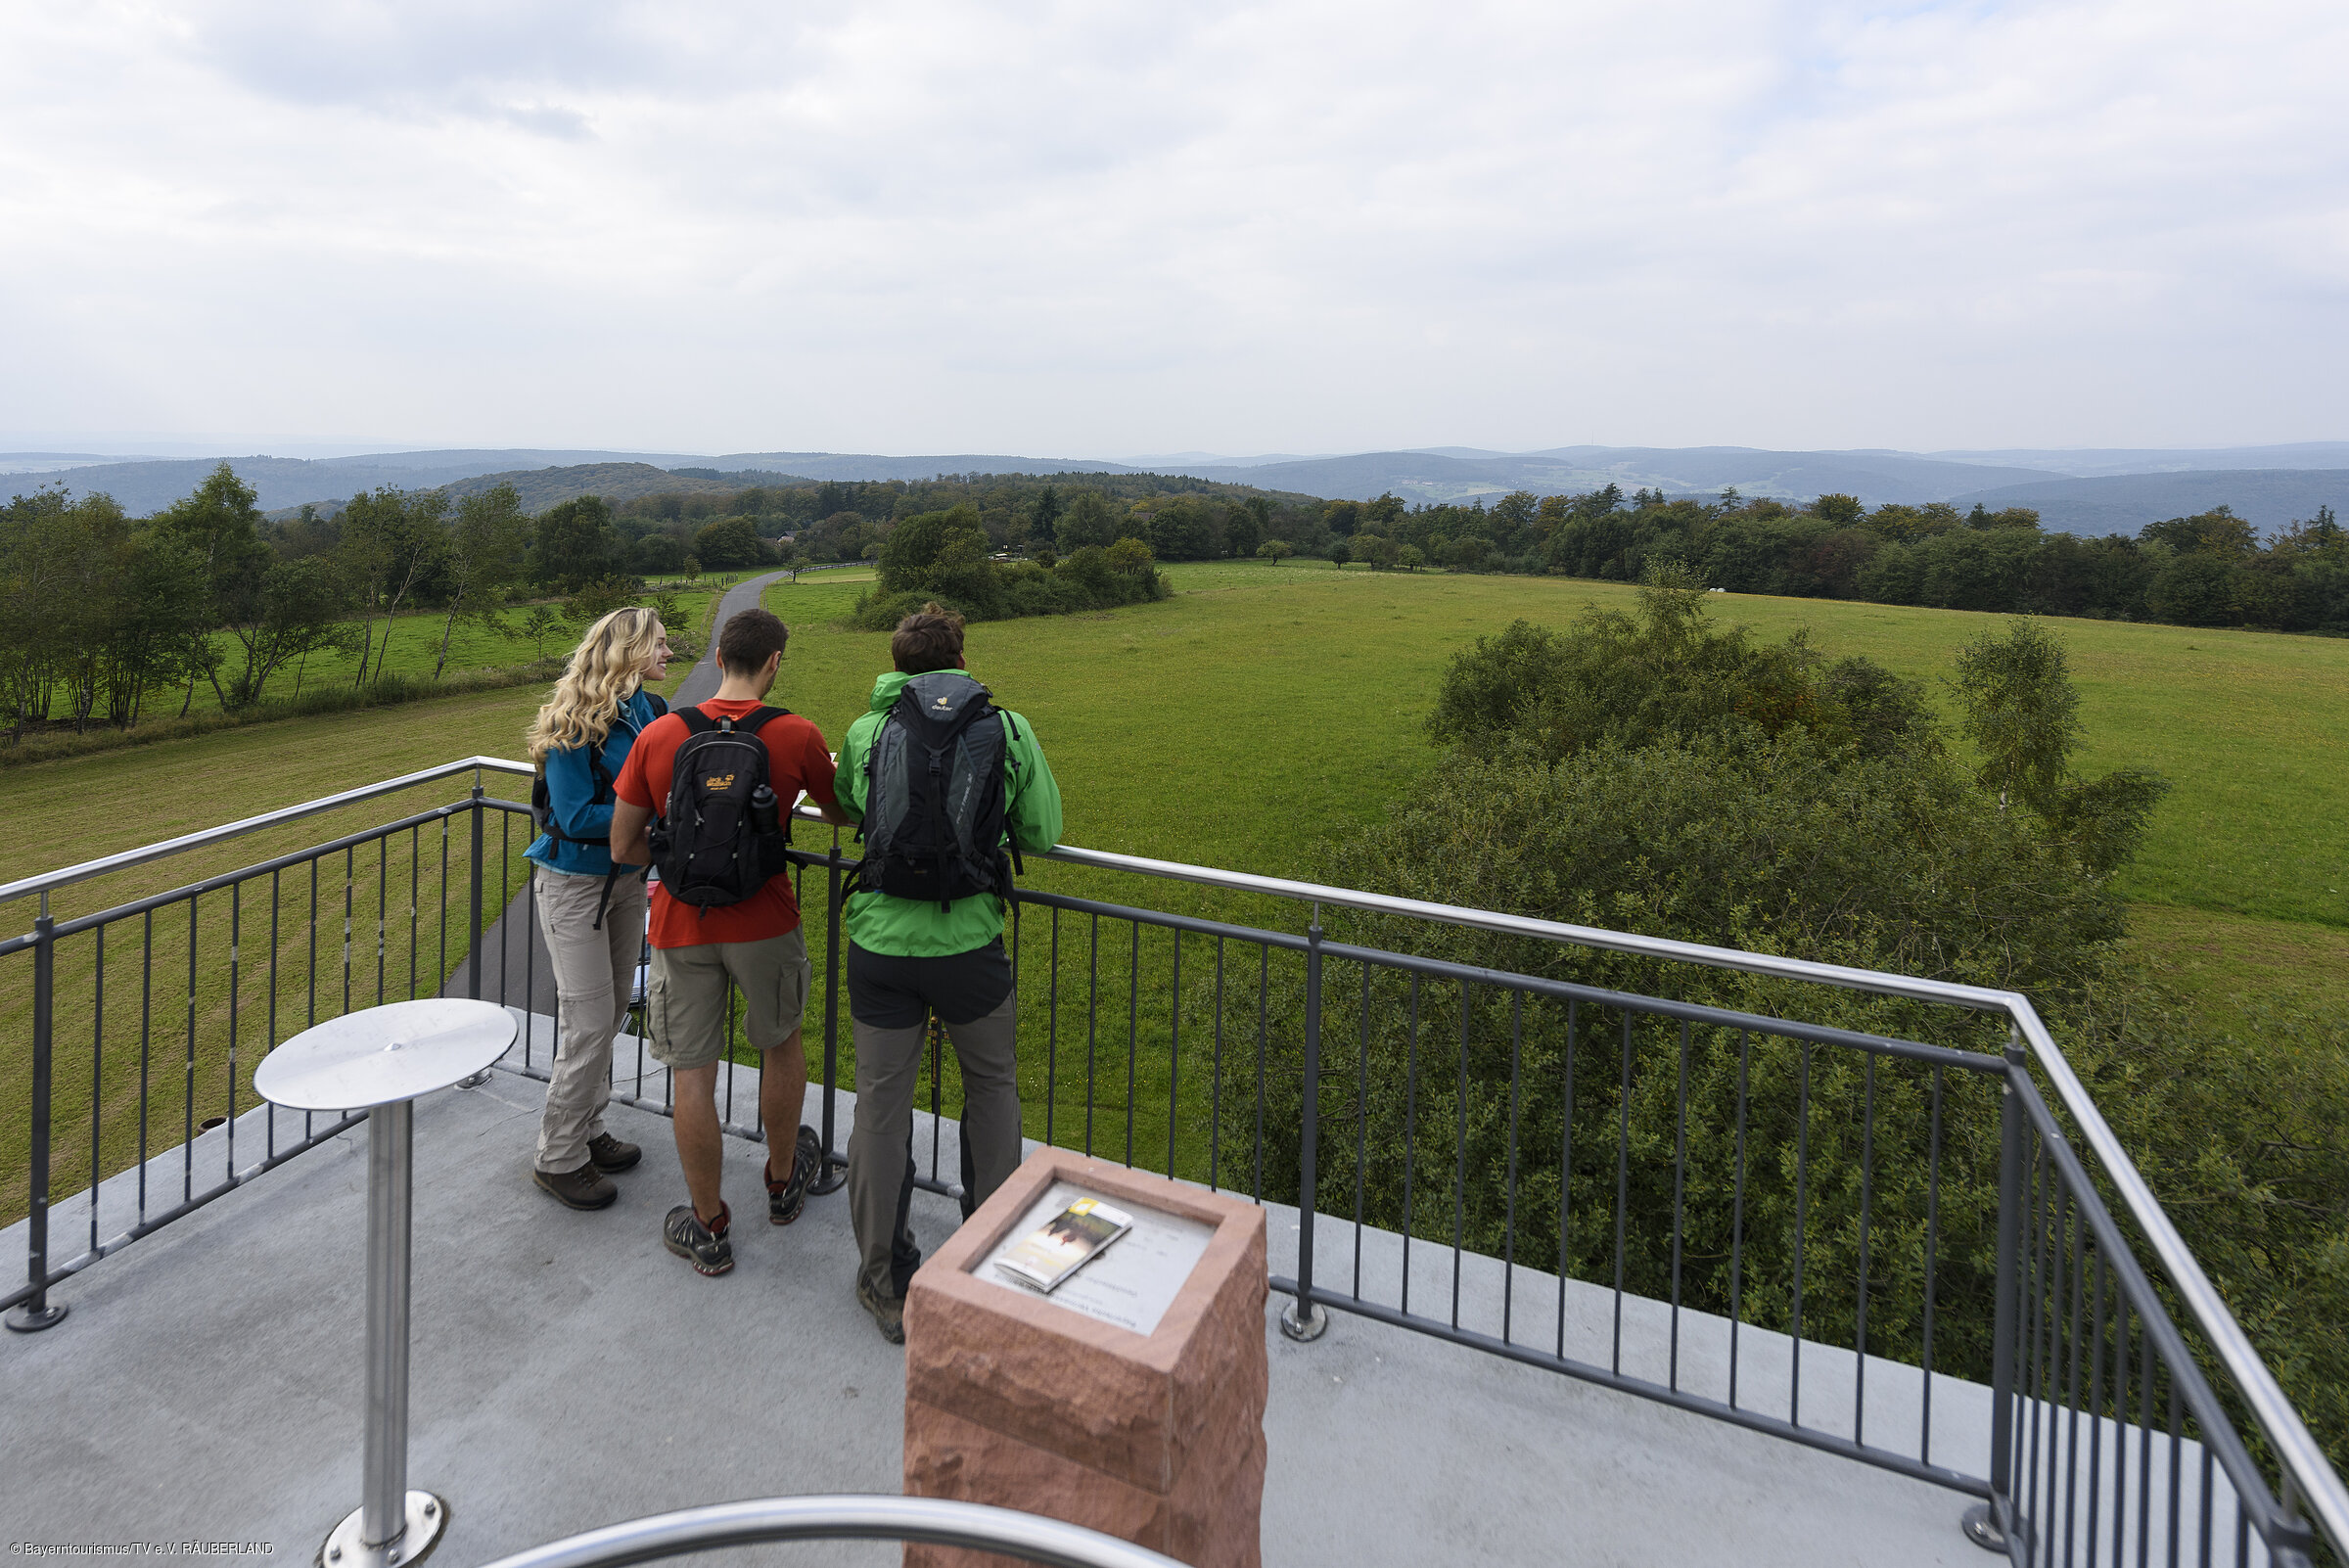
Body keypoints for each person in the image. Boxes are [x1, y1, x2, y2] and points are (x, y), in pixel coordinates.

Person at [834, 602, 1062, 1343]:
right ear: (961, 659)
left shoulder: (869, 731)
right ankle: (990, 1266)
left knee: (880, 1105)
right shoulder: (1008, 727)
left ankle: (883, 1280)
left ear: (896, 663)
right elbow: (1043, 832)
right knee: (992, 1089)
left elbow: (848, 808)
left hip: (879, 946)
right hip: (969, 945)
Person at [608, 607, 850, 1276]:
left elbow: (624, 844)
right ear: (774, 662)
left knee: (693, 1073)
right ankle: (781, 1182)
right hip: (766, 920)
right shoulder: (795, 733)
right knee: (781, 1045)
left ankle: (708, 1224)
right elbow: (839, 812)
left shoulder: (660, 734)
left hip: (682, 924)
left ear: (718, 657)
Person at [522, 606, 671, 1211]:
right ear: (629, 650)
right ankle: (557, 1157)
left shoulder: (652, 712)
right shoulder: (572, 723)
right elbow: (579, 815)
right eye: (660, 643)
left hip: (628, 880)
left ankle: (588, 1128)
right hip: (574, 886)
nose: (669, 651)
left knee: (608, 1015)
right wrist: (655, 815)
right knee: (586, 1020)